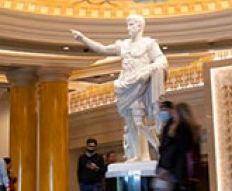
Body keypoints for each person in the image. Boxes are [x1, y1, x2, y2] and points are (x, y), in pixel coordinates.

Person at [72, 15, 168, 161]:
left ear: (139, 26)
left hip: (139, 85)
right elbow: (102, 49)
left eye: (131, 25)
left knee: (139, 122)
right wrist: (83, 39)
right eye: (128, 25)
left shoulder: (148, 44)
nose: (128, 28)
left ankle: (158, 148)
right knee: (130, 124)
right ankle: (136, 155)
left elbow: (162, 60)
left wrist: (148, 70)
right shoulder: (123, 45)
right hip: (125, 85)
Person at [154, 101, 201, 191]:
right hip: (180, 170)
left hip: (176, 170)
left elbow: (173, 151)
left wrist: (165, 169)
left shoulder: (180, 128)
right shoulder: (188, 128)